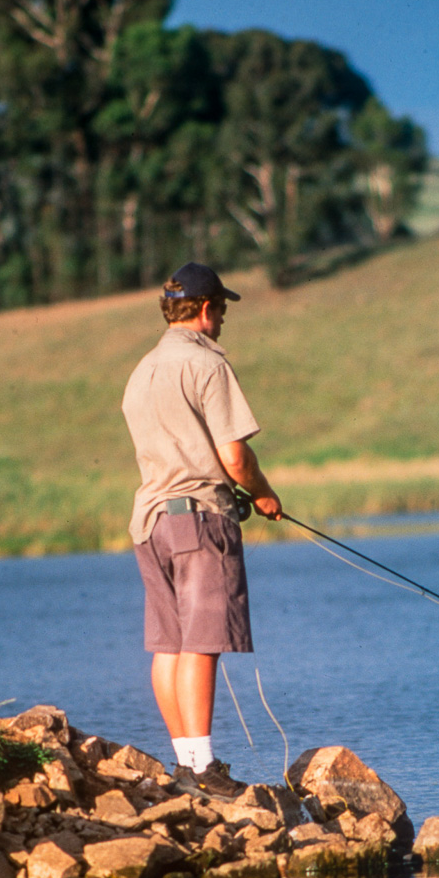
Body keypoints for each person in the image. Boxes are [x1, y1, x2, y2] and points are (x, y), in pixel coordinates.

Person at [122, 262, 282, 798]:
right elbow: (235, 455)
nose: (224, 321)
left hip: (150, 523)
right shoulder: (207, 366)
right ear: (207, 308)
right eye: (223, 310)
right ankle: (206, 768)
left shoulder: (141, 369)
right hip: (197, 521)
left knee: (168, 647)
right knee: (202, 644)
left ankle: (186, 765)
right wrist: (261, 491)